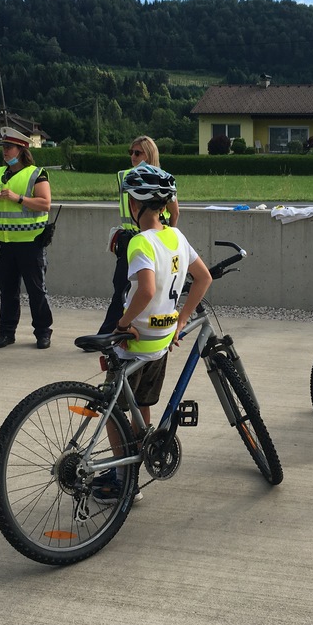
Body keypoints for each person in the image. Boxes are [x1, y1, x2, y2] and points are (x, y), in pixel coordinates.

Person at [92, 164, 212, 500]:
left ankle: (123, 481)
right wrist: (181, 321)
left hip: (133, 344)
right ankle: (136, 462)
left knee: (115, 412)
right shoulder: (177, 237)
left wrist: (122, 324)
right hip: (160, 343)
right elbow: (203, 278)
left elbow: (144, 290)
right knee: (141, 403)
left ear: (134, 205)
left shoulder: (140, 242)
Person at [0, 127, 54, 349]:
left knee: (36, 290)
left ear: (21, 150)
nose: (4, 151)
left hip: (30, 242)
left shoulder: (36, 174)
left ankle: (43, 333)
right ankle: (6, 333)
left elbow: (45, 203)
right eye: (3, 147)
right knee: (8, 292)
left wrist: (18, 198)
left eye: (9, 147)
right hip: (3, 242)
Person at [97, 135, 180, 334]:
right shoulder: (125, 176)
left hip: (152, 240)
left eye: (137, 153)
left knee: (145, 289)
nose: (133, 156)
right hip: (131, 240)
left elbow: (175, 212)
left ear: (149, 154)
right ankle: (110, 333)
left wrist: (168, 236)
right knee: (122, 289)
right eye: (131, 152)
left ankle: (119, 332)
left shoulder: (161, 179)